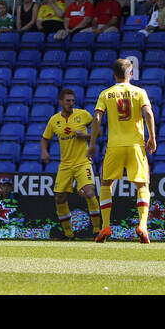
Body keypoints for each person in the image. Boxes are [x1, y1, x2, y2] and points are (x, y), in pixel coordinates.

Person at [92, 59, 156, 244]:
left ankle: (105, 226)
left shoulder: (106, 93)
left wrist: (93, 142)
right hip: (136, 145)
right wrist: (152, 137)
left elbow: (97, 117)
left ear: (114, 75)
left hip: (114, 146)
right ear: (131, 74)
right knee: (142, 185)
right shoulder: (139, 92)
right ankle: (142, 226)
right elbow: (149, 113)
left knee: (106, 183)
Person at [42, 88, 103, 240]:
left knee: (90, 193)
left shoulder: (83, 115)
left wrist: (86, 136)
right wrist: (44, 151)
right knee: (59, 199)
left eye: (72, 100)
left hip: (82, 162)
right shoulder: (54, 120)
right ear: (61, 101)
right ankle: (69, 234)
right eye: (68, 101)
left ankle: (97, 231)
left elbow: (99, 131)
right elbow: (45, 138)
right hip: (65, 165)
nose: (71, 103)